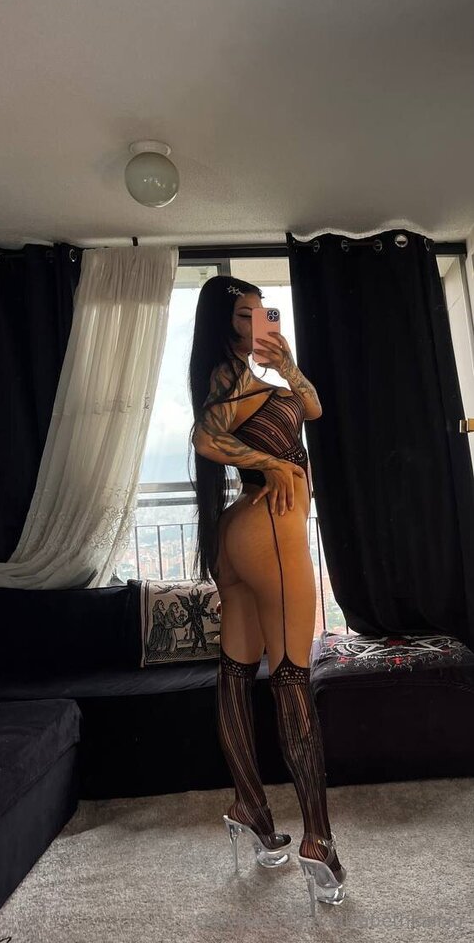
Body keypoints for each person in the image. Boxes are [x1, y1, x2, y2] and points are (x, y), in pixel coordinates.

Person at [188, 274, 346, 912]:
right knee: (291, 678)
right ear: (223, 323)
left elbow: (313, 409)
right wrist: (273, 463)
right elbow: (205, 437)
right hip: (271, 532)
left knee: (234, 672)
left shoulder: (255, 374)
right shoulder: (228, 377)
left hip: (239, 533)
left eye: (262, 311)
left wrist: (288, 366)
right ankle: (318, 839)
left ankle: (250, 805)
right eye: (244, 314)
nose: (257, 321)